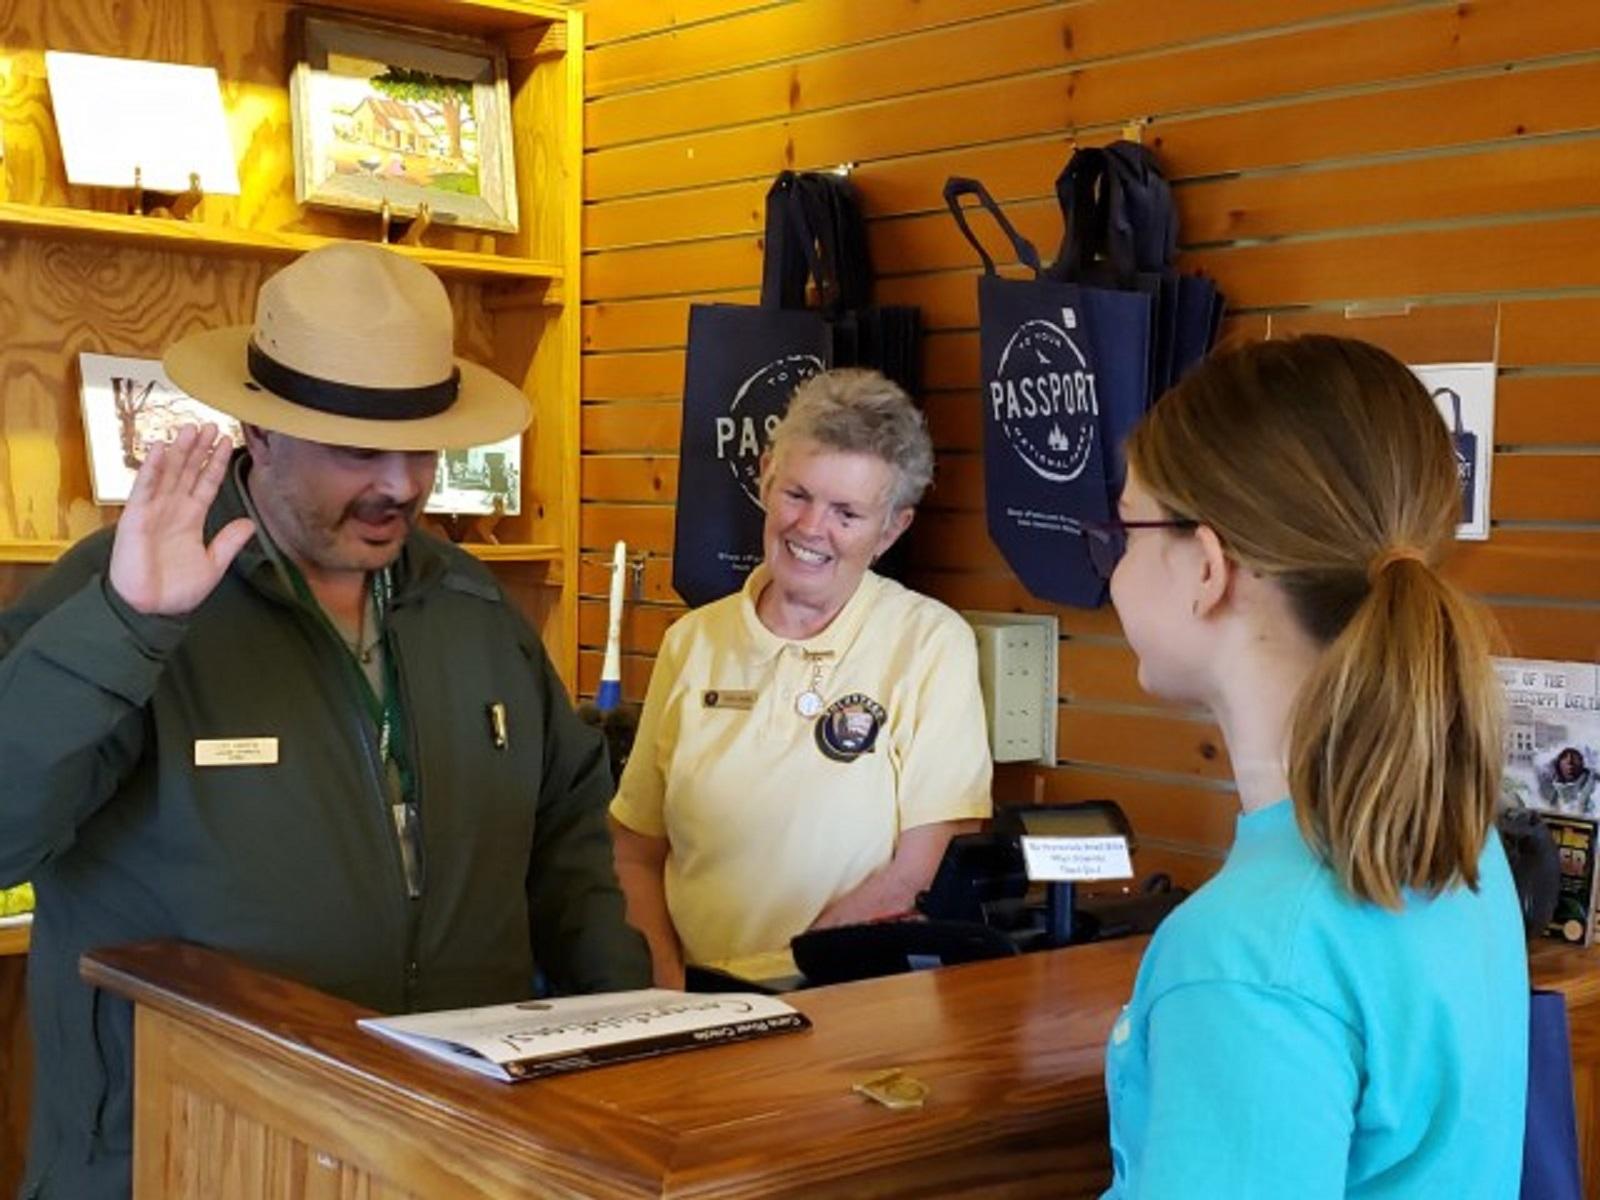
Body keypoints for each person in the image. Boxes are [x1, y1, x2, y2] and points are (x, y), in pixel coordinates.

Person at [0, 243, 650, 1199]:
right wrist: (128, 629)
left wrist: (627, 1043)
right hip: (179, 1155)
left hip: (444, 1152)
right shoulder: (117, 596)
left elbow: (567, 851)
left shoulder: (473, 607)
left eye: (422, 447)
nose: (403, 485)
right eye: (357, 451)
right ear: (258, 436)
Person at [1097, 335, 1528, 1197]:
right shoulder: (1455, 848)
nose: (1114, 568)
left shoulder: (1247, 954)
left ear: (1208, 568)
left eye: (1130, 526)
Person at [609, 369, 993, 985]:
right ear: (765, 475)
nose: (812, 528)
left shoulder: (929, 643)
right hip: (696, 1001)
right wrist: (667, 983)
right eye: (798, 495)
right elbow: (635, 848)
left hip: (850, 1001)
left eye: (847, 512)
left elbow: (924, 867)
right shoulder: (692, 643)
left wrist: (795, 979)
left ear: (892, 528)